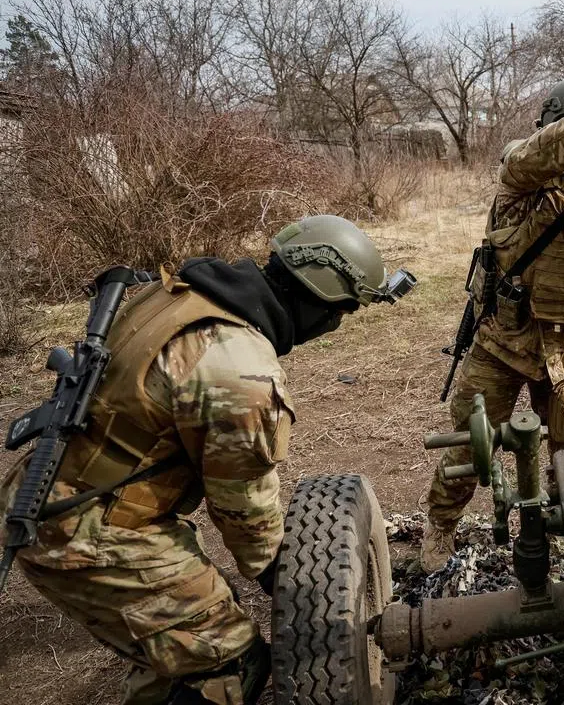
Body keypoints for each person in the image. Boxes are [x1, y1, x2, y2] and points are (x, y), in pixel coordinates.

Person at [0, 215, 410, 705]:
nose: (337, 324)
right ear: (318, 299)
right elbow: (248, 524)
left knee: (192, 629)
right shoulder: (240, 372)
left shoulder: (179, 294)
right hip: (87, 533)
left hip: (59, 490)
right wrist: (317, 590)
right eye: (341, 311)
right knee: (229, 662)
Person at [420, 69, 564, 572]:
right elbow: (534, 156)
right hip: (503, 342)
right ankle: (440, 527)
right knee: (470, 450)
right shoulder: (523, 172)